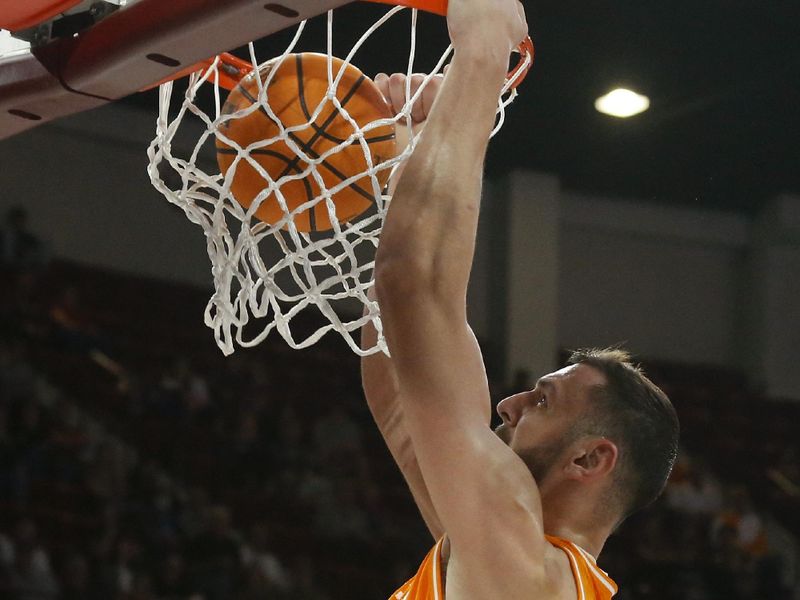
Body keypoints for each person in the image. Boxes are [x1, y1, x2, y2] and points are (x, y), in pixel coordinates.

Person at [361, 1, 680, 598]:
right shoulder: (515, 566)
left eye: (542, 400)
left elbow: (412, 283)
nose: (507, 403)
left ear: (589, 460)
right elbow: (398, 395)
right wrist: (417, 156)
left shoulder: (527, 573)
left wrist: (482, 51)